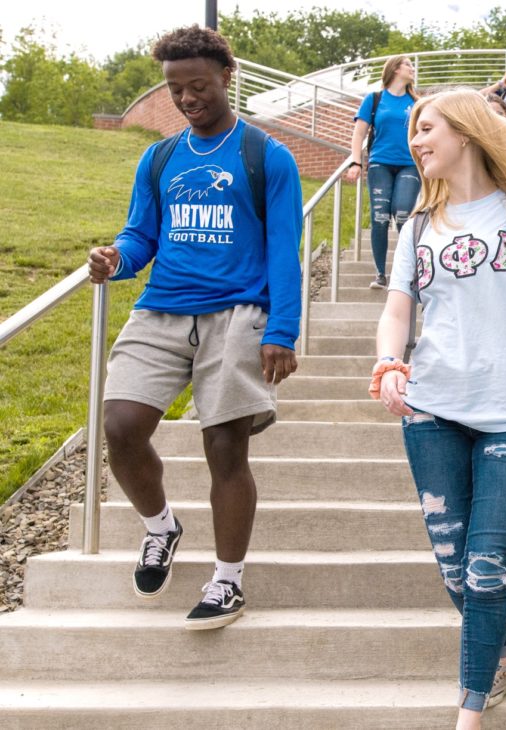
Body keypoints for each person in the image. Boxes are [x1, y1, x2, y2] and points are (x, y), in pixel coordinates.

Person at [369, 88, 506, 728]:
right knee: (457, 573)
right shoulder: (417, 226)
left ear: (465, 133)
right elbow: (396, 310)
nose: (415, 141)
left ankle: (469, 713)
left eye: (426, 128)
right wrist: (389, 364)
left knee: (487, 568)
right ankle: (505, 656)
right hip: (433, 411)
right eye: (412, 131)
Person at [87, 25, 303, 631]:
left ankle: (228, 579)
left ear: (227, 77)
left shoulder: (266, 156)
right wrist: (117, 259)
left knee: (225, 445)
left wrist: (281, 330)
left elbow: (285, 248)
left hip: (238, 312)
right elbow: (140, 236)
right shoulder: (159, 158)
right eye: (176, 89)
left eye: (198, 85)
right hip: (163, 308)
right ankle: (161, 527)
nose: (187, 99)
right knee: (121, 426)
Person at [345, 56, 421, 289]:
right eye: (408, 64)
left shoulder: (417, 102)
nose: (412, 68)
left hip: (409, 164)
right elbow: (359, 134)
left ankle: (409, 270)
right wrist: (355, 162)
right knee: (379, 218)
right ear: (396, 69)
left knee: (402, 213)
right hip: (380, 163)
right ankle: (380, 274)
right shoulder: (375, 99)